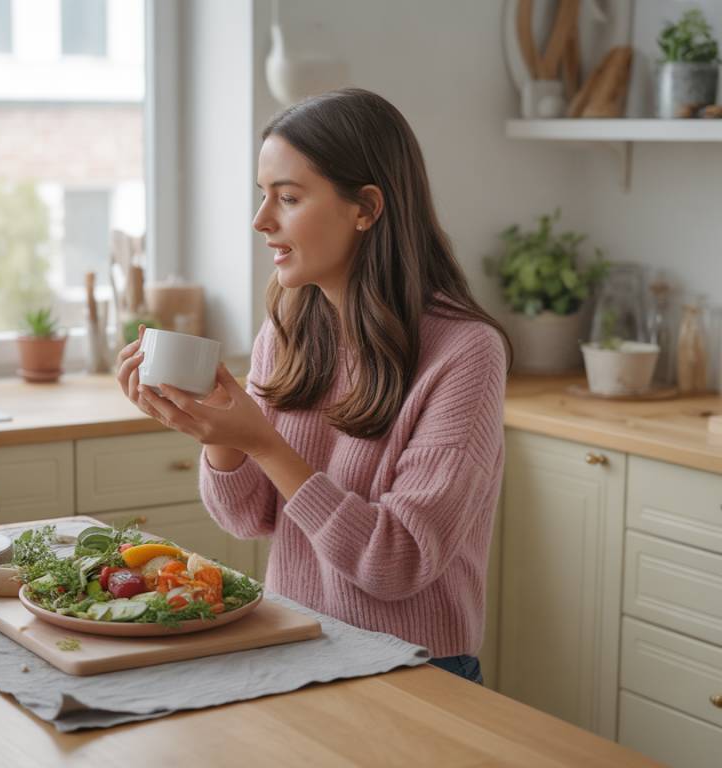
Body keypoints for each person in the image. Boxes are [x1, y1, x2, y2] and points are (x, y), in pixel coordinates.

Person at [115, 88, 510, 685]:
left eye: (289, 198)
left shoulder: (464, 352)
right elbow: (249, 515)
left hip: (417, 670)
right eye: (262, 195)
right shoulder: (291, 326)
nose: (261, 220)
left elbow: (399, 561)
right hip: (296, 645)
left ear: (366, 208)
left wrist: (266, 444)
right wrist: (216, 433)